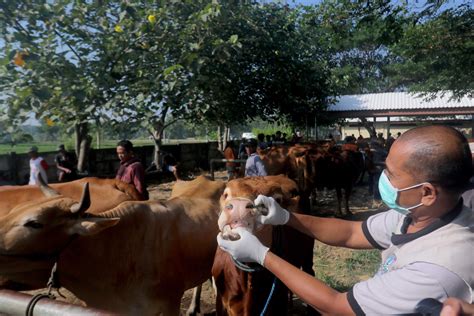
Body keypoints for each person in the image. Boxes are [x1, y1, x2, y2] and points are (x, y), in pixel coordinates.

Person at [217, 125, 473, 315]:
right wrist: (286, 217)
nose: (382, 177)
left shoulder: (437, 271)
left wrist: (261, 255)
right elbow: (353, 232)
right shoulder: (418, 215)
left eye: (391, 174)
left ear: (427, 192)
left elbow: (335, 306)